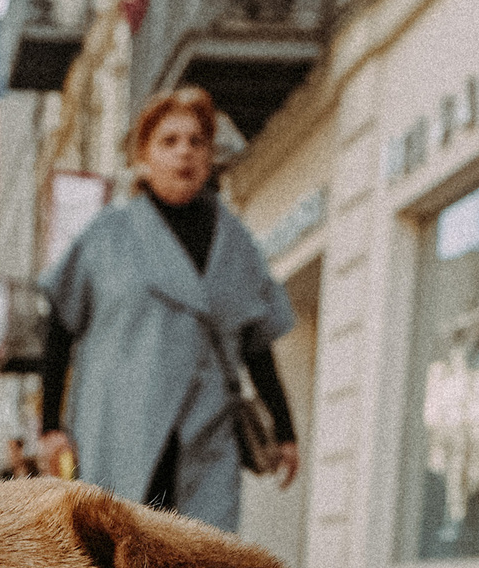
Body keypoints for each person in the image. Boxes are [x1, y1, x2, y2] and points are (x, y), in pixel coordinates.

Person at [35, 86, 299, 529]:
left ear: (210, 156)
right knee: (122, 563)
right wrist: (50, 427)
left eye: (197, 142)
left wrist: (286, 431)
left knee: (201, 566)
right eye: (169, 141)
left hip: (208, 435)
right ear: (144, 154)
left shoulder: (235, 243)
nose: (185, 154)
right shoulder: (109, 235)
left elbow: (256, 345)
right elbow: (60, 328)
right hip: (121, 430)